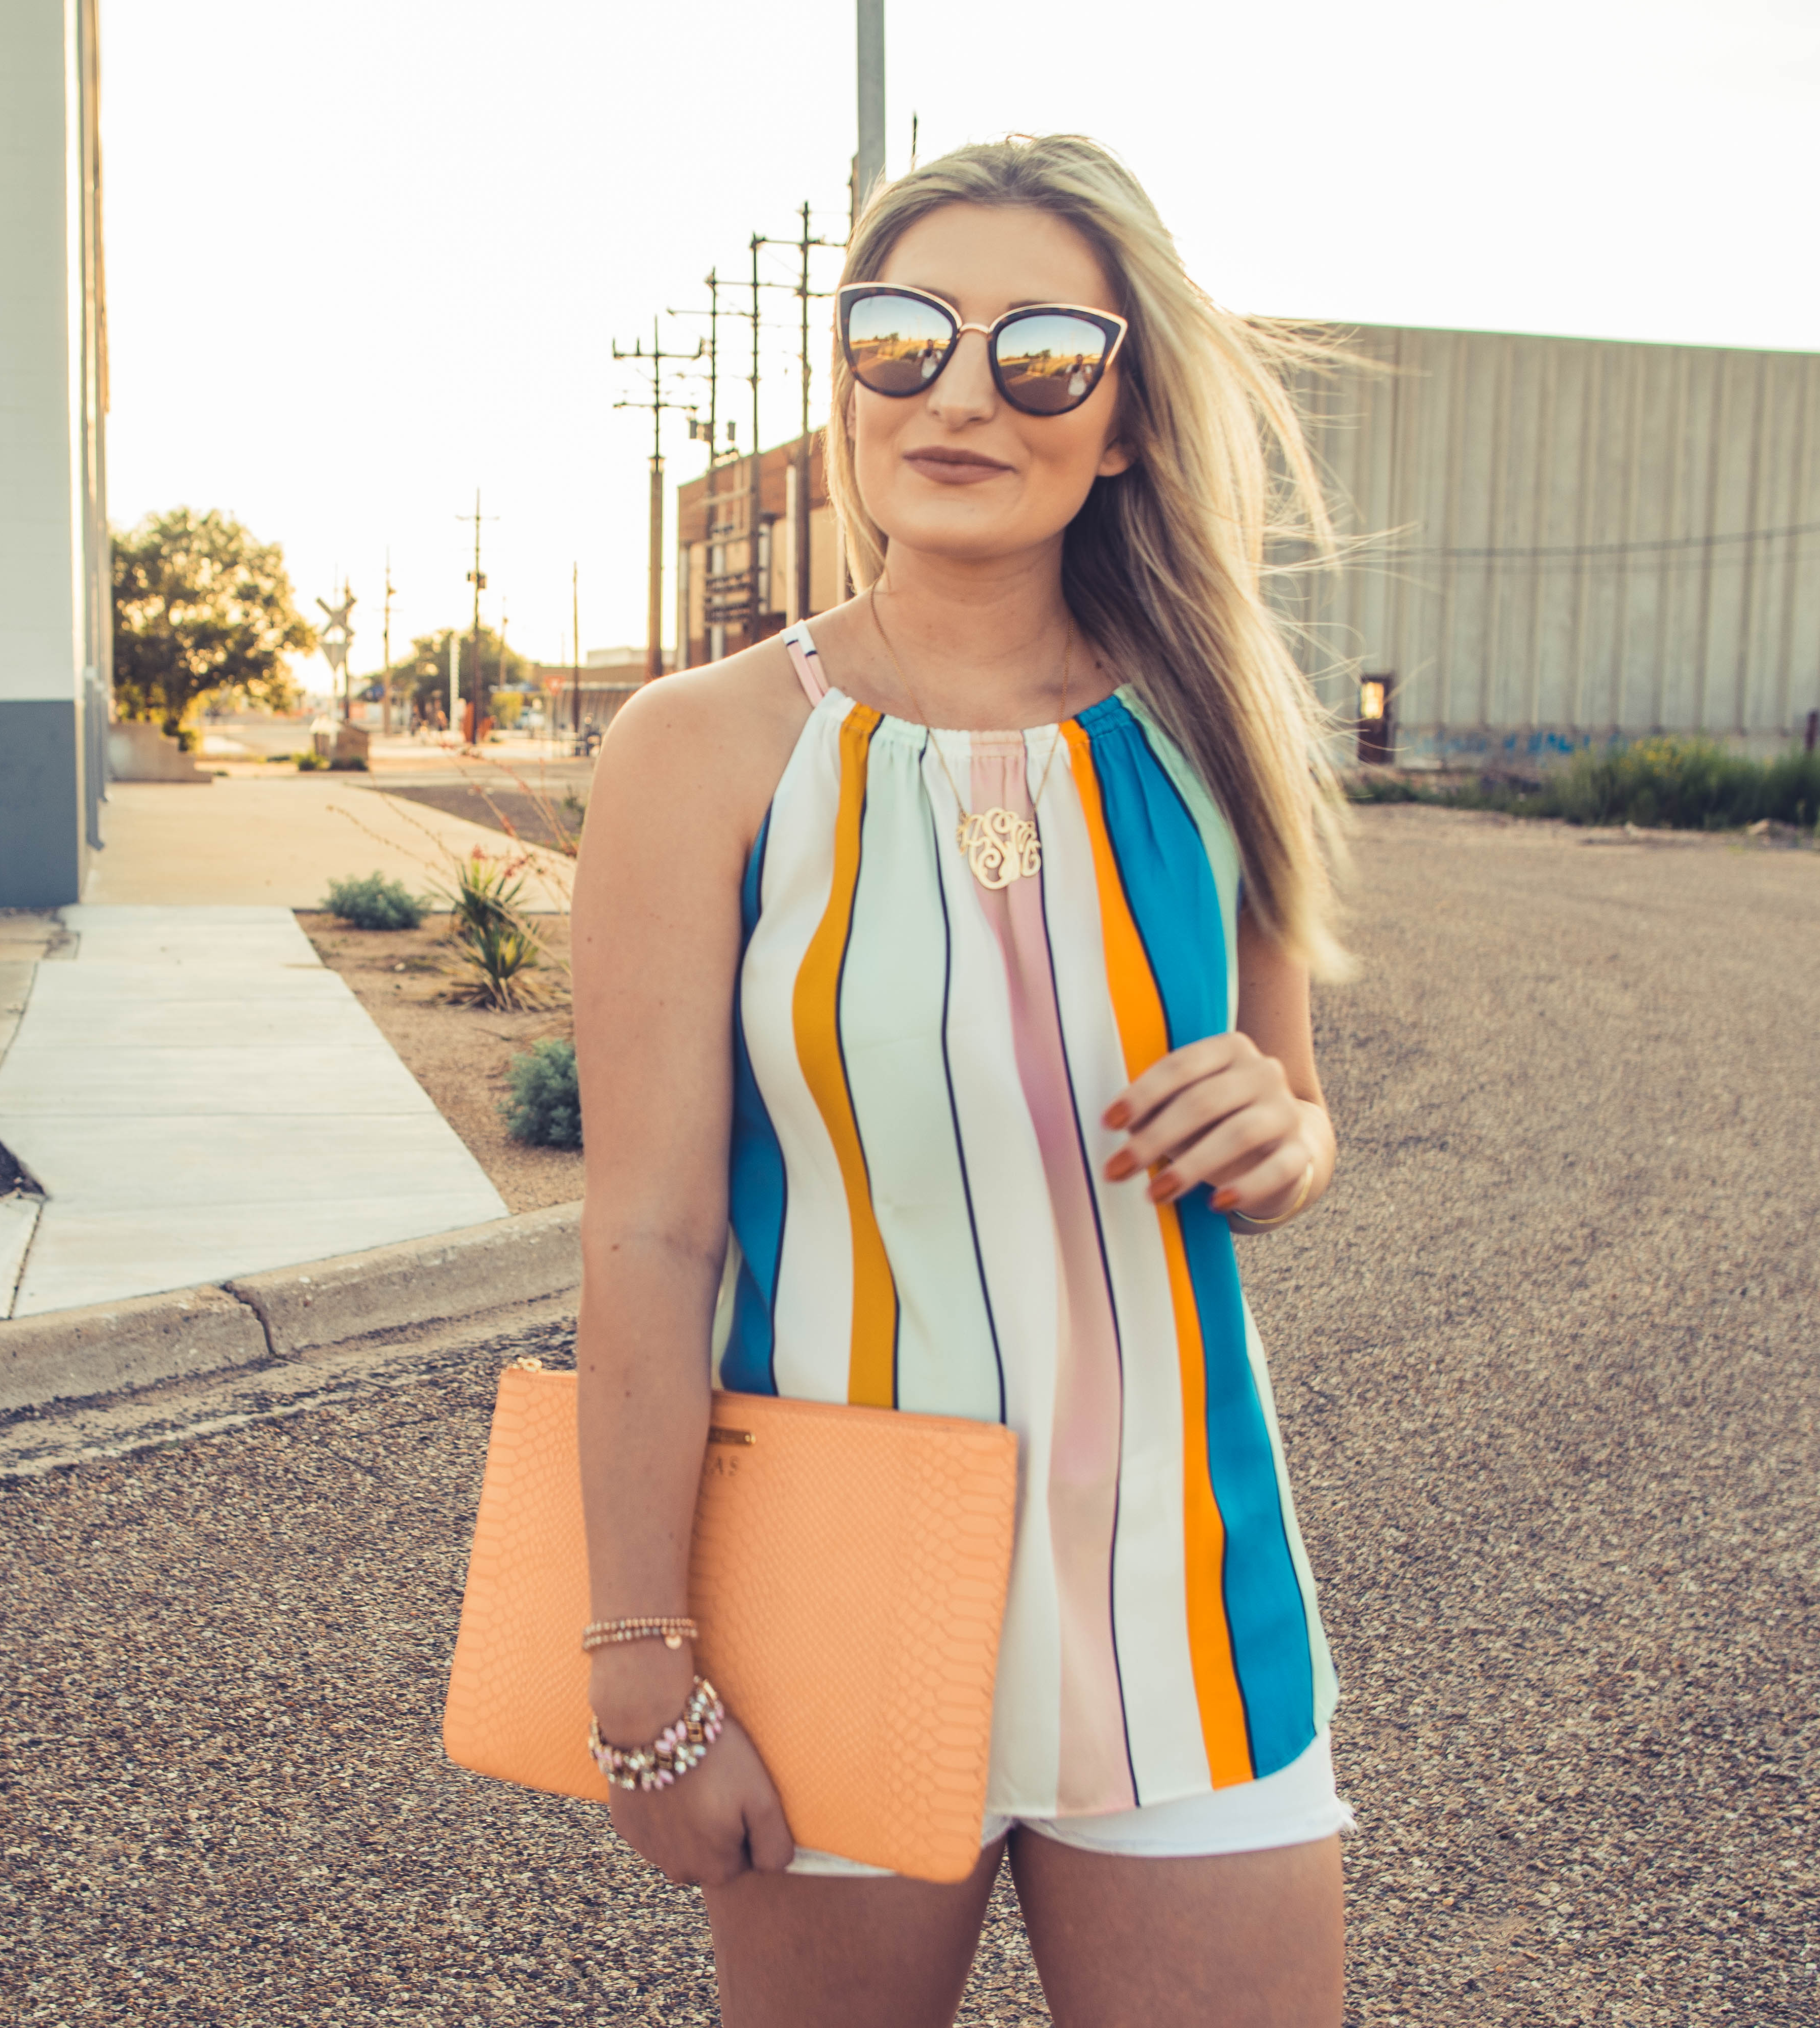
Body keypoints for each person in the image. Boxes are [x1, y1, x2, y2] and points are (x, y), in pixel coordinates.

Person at [570, 134, 1358, 2026]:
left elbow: (1295, 1116)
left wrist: (1285, 1134)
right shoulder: (703, 751)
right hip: (827, 1595)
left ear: (1130, 420)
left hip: (1186, 1582)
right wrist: (636, 1663)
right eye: (904, 335)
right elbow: (653, 1240)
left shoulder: (1215, 728)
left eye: (1043, 355)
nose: (961, 392)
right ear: (846, 376)